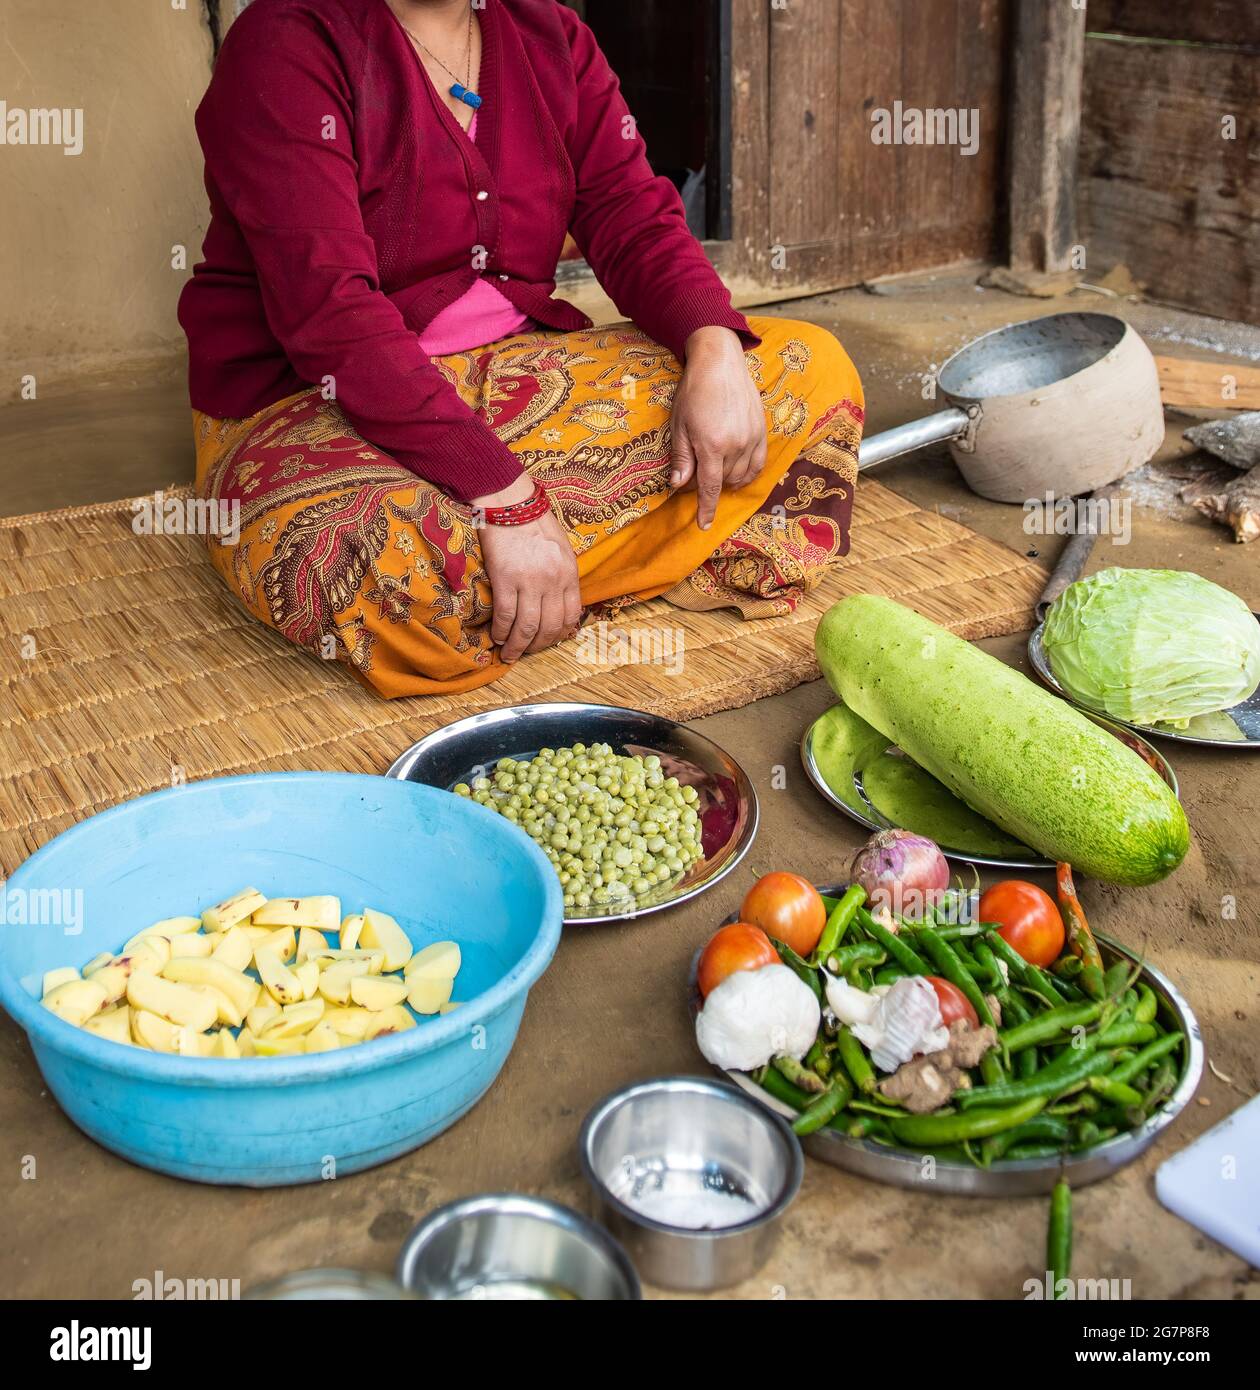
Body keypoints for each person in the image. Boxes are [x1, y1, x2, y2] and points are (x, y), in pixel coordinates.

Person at [179, 0, 863, 698]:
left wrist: (712, 346)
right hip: (314, 401)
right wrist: (507, 499)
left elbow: (631, 217)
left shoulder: (550, 34)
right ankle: (628, 552)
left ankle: (522, 585)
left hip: (518, 374)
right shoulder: (287, 41)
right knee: (358, 554)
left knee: (803, 367)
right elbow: (328, 312)